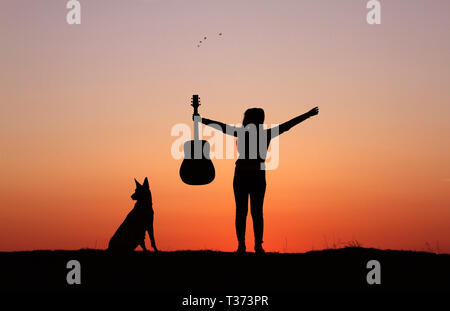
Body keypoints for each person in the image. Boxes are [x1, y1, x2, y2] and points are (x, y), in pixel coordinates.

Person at [195, 106, 319, 253]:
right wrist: (308, 115)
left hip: (243, 174)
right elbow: (288, 125)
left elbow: (221, 127)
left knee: (243, 211)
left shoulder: (243, 133)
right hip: (255, 175)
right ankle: (255, 245)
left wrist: (201, 120)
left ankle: (244, 245)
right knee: (255, 211)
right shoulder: (264, 134)